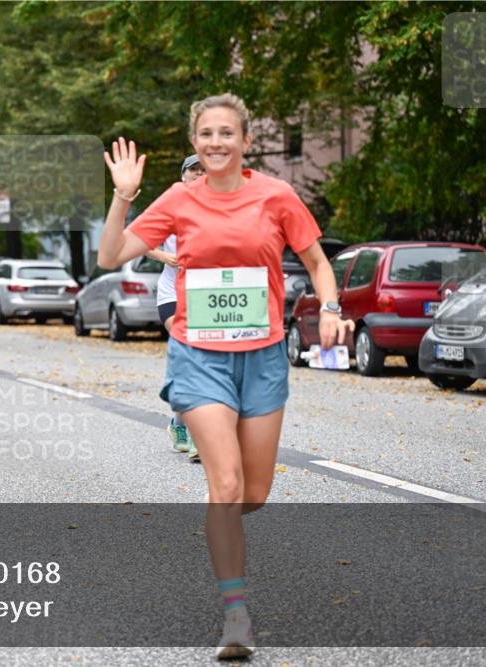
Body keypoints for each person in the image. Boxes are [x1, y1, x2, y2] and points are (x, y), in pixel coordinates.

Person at [97, 93, 353, 660]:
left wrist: (331, 308)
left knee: (254, 494)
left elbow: (316, 262)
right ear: (195, 142)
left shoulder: (276, 196)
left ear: (245, 141)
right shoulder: (178, 199)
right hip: (198, 355)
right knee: (227, 485)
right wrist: (123, 196)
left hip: (261, 357)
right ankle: (235, 614)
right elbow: (110, 255)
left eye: (226, 133)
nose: (216, 143)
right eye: (206, 134)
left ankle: (226, 535)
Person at [146, 154, 205, 461]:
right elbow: (141, 242)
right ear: (183, 176)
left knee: (192, 361)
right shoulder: (170, 206)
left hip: (203, 295)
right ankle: (199, 435)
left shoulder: (216, 209)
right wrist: (164, 257)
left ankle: (180, 421)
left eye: (203, 171)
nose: (198, 174)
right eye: (193, 170)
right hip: (172, 295)